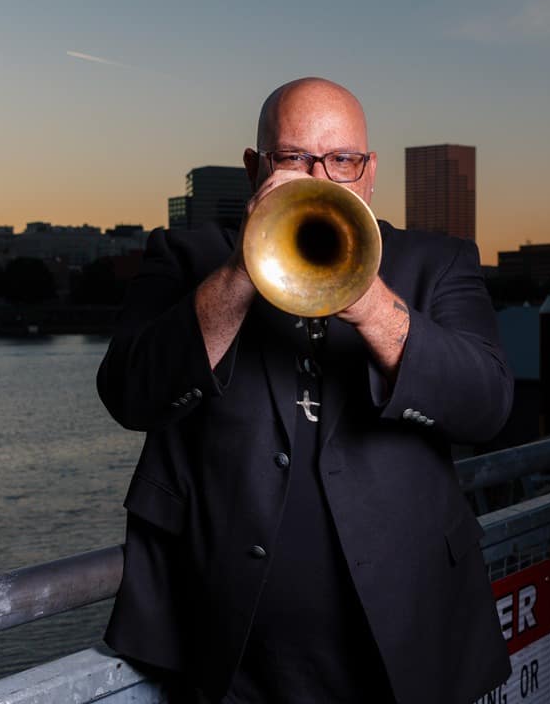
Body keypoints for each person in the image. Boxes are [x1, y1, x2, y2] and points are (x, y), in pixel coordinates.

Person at [97, 77, 514, 704]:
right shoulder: (186, 256)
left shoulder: (439, 262)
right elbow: (131, 395)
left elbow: (487, 408)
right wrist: (242, 269)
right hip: (220, 641)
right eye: (294, 157)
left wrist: (370, 304)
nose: (320, 178)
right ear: (255, 167)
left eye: (342, 159)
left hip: (406, 633)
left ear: (369, 172)